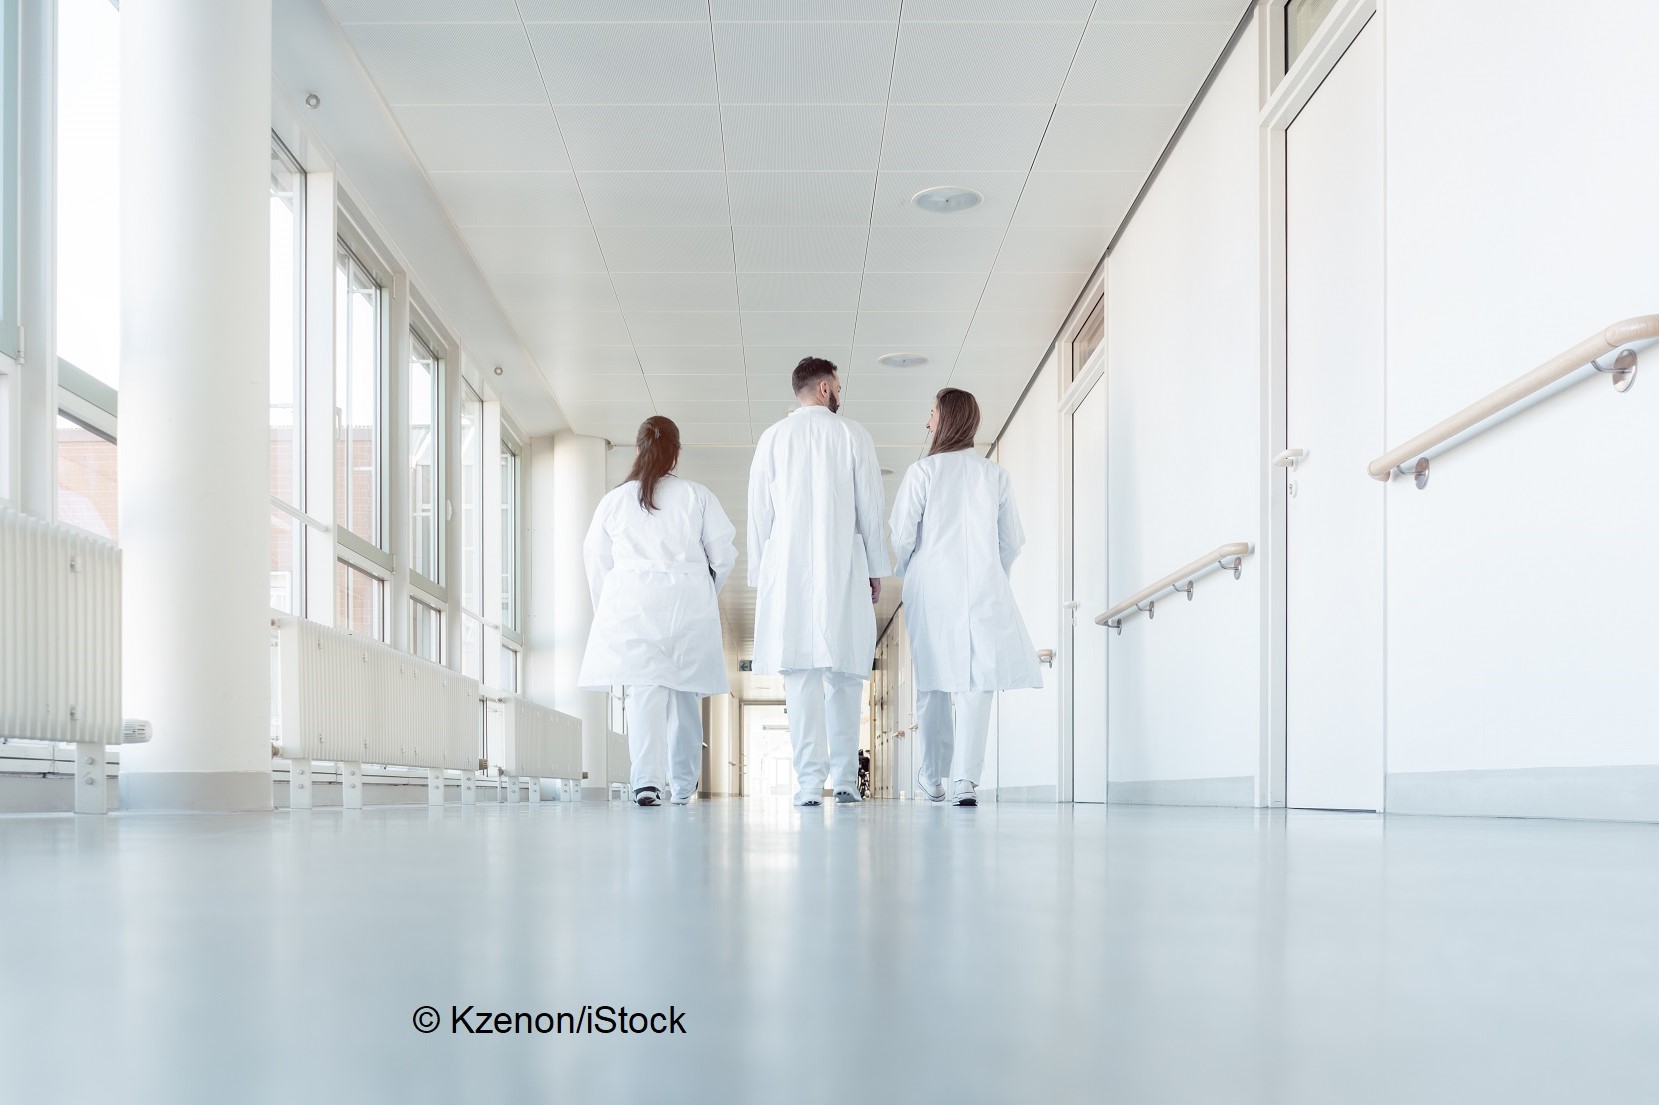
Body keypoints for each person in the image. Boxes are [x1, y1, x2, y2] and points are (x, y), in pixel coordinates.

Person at [747, 356, 891, 807]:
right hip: (842, 567)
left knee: (801, 681)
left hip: (787, 570)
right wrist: (875, 567)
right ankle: (846, 781)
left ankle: (809, 785)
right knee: (845, 676)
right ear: (826, 388)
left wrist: (761, 574)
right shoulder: (853, 435)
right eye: (839, 386)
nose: (840, 393)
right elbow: (870, 506)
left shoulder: (772, 438)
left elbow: (758, 513)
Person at [889, 388, 1042, 807]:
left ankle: (933, 776)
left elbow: (902, 536)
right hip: (982, 587)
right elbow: (1010, 541)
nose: (927, 422)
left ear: (948, 418)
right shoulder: (994, 475)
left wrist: (911, 568)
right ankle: (965, 783)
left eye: (932, 413)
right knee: (978, 681)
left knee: (933, 679)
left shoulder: (922, 472)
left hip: (932, 588)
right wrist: (994, 574)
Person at [579, 416, 737, 807]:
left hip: (632, 606)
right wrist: (704, 590)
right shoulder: (698, 496)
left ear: (637, 450)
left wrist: (608, 607)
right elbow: (724, 555)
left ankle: (646, 782)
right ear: (677, 452)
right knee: (684, 695)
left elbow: (596, 561)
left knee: (644, 694)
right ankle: (683, 785)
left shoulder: (613, 501)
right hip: (686, 606)